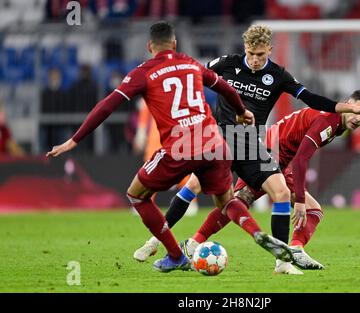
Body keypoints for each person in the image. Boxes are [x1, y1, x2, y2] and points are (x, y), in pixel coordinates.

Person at [46, 21, 295, 272]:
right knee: (228, 201)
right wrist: (243, 112)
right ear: (174, 44)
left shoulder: (143, 72)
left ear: (149, 47)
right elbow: (226, 88)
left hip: (180, 145)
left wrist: (74, 139)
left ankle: (175, 255)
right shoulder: (190, 63)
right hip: (215, 143)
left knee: (136, 194)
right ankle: (257, 234)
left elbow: (107, 106)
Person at [134, 24, 360, 274]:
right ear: (245, 49)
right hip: (219, 137)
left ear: (269, 50)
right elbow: (192, 78)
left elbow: (311, 98)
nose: (254, 60)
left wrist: (348, 108)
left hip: (251, 141)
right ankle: (154, 241)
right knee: (193, 186)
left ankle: (282, 263)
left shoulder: (279, 75)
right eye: (250, 53)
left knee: (281, 192)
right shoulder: (227, 63)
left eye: (260, 54)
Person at [182, 90, 360, 274]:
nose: (358, 118)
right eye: (356, 111)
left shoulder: (337, 124)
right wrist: (299, 199)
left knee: (241, 201)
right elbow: (301, 159)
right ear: (347, 106)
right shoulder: (329, 121)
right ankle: (292, 251)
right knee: (304, 208)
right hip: (271, 154)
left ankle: (194, 244)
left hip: (273, 152)